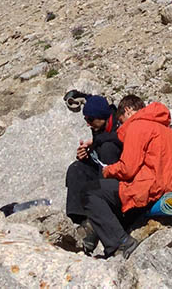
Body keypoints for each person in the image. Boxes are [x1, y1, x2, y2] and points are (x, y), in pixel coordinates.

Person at [81, 93, 172, 259]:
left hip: (154, 189)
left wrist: (107, 170)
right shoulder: (167, 131)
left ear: (128, 110)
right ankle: (103, 237)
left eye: (122, 120)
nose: (122, 126)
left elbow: (127, 168)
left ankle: (122, 244)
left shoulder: (137, 126)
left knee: (91, 191)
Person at [65, 94, 121, 242]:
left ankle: (100, 216)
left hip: (118, 175)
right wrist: (86, 155)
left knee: (108, 149)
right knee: (76, 169)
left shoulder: (119, 123)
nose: (88, 124)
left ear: (101, 116)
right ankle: (79, 219)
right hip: (101, 167)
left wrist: (96, 142)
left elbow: (120, 137)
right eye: (86, 120)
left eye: (90, 120)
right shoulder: (99, 125)